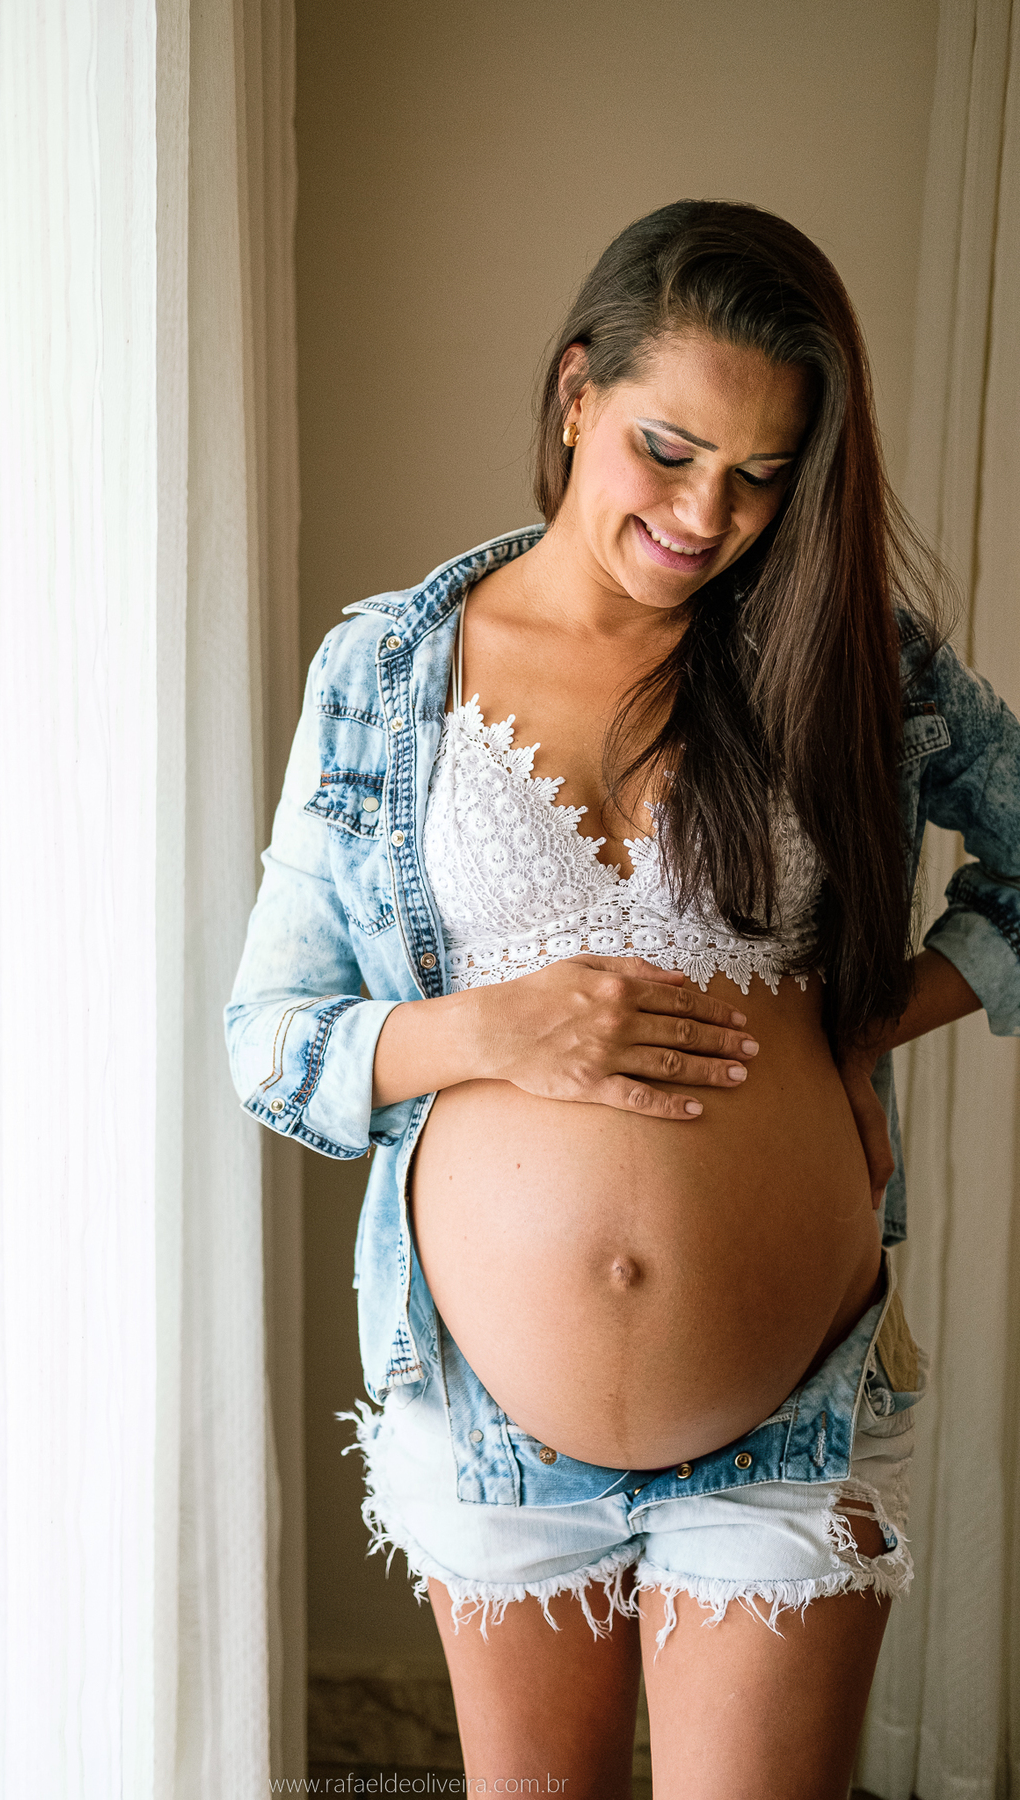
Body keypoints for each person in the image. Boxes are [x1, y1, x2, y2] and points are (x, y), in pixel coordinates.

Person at [225, 200, 1020, 1799]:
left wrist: (864, 1019)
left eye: (761, 475)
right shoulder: (386, 674)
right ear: (578, 391)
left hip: (790, 1415)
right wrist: (489, 1030)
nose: (705, 515)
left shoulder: (843, 656)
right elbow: (271, 1043)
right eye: (669, 449)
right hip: (488, 1421)